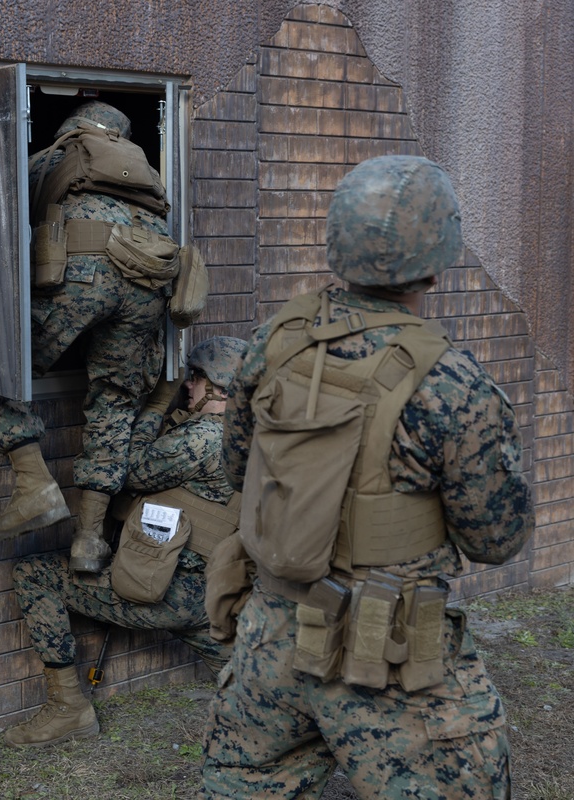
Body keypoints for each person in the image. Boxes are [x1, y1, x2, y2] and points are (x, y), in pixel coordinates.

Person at [202, 155, 535, 798]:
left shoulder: (275, 341)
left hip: (270, 632)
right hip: (387, 652)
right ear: (440, 256)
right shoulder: (453, 384)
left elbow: (236, 469)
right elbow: (494, 539)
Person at [3, 336, 246, 748]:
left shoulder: (205, 436)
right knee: (251, 688)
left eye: (198, 377)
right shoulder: (255, 434)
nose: (189, 385)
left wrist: (153, 408)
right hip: (216, 593)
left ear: (221, 389)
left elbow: (130, 470)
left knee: (34, 574)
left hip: (169, 593)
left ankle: (68, 710)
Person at [0, 100, 174, 575]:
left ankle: (34, 488)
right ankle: (88, 540)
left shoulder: (51, 157)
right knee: (114, 403)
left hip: (83, 278)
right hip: (148, 289)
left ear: (73, 129)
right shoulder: (150, 176)